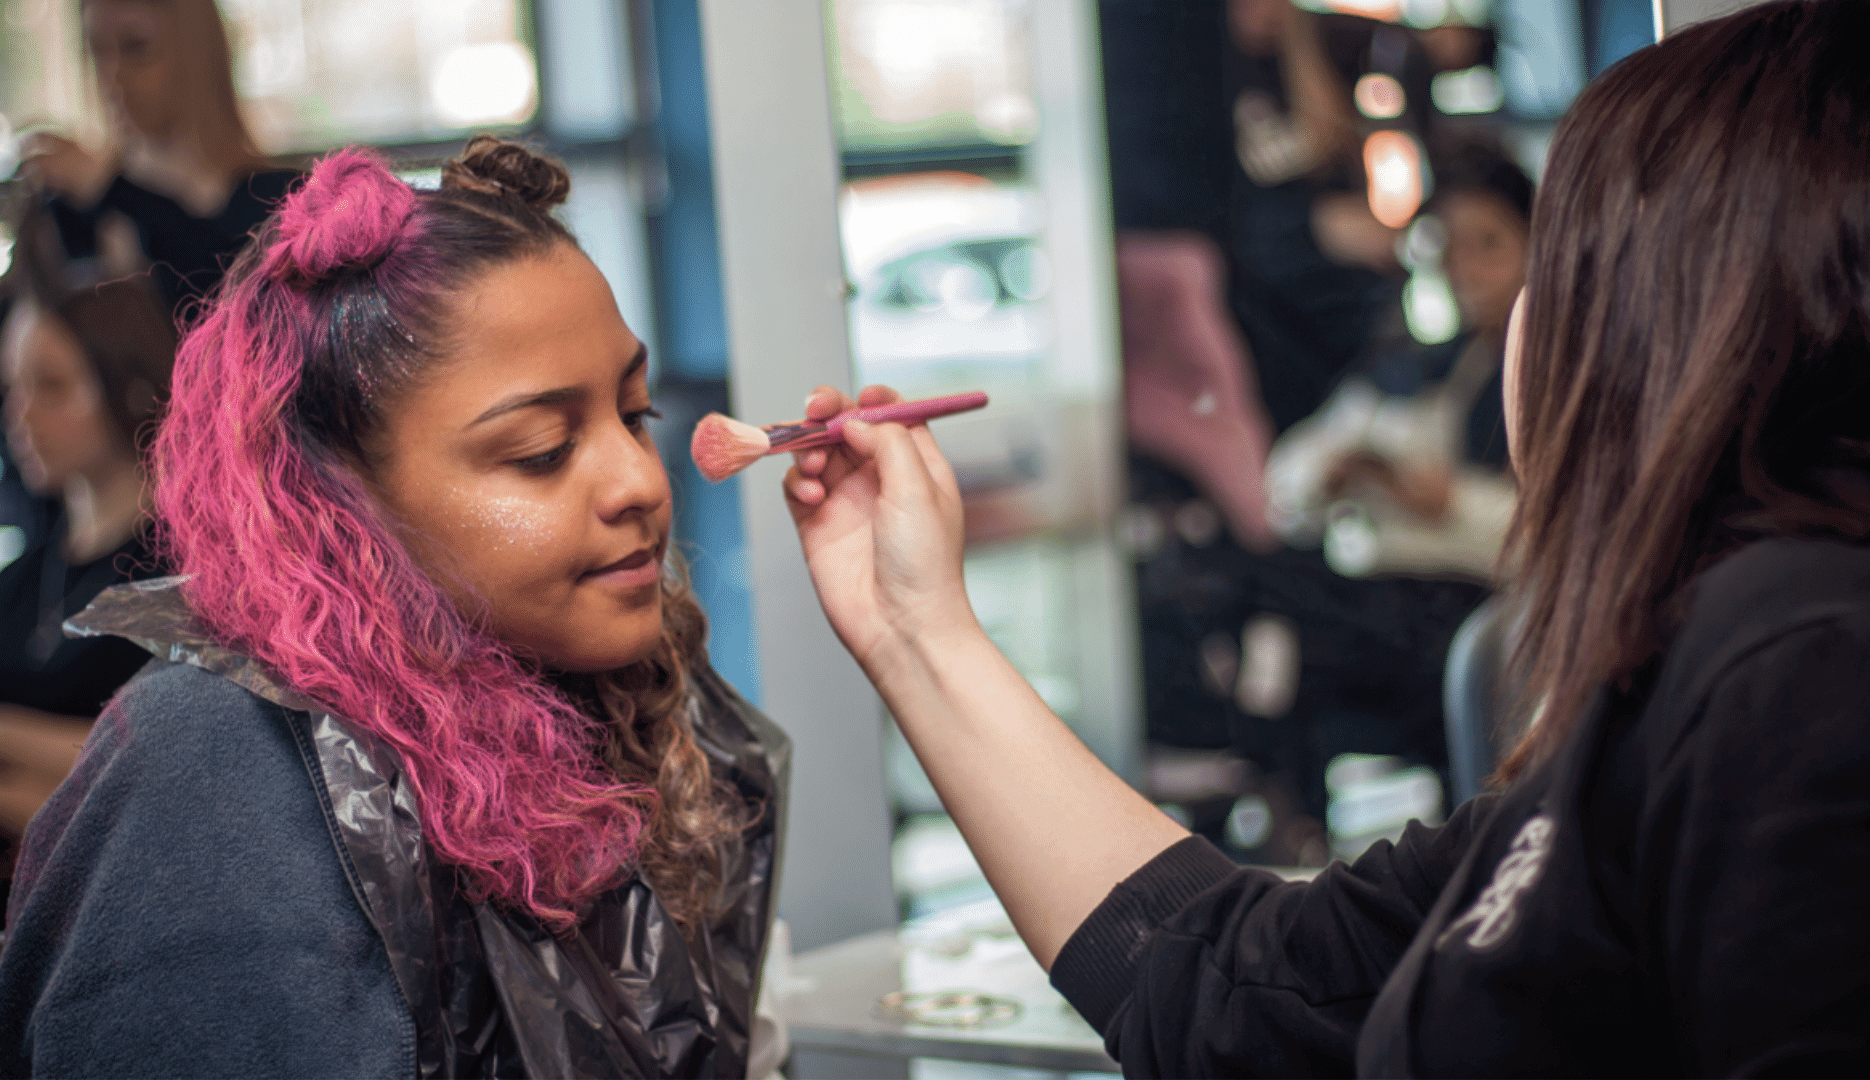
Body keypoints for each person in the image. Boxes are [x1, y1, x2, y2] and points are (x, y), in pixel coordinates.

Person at [783, 2, 1869, 1074]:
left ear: (1670, 325)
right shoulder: (1669, 695)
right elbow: (1232, 986)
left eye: (1560, 263)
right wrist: (913, 628)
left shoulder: (1795, 659)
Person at [0, 139, 789, 1078]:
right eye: (539, 450)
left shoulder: (591, 696)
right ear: (339, 499)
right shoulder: (220, 782)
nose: (641, 480)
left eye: (635, 413)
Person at [0, 264, 173, 941]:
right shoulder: (15, 584)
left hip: (98, 930)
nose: (21, 414)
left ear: (128, 386)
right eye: (13, 387)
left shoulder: (182, 579)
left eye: (51, 386)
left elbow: (165, 777)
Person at [1268, 140, 1531, 581]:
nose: (1467, 269)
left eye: (1489, 244)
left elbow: (1562, 539)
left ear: (1537, 242)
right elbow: (1286, 483)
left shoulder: (1564, 375)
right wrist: (1332, 472)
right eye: (1452, 248)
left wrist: (1449, 502)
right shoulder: (1426, 362)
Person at [25, 0, 300, 319]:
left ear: (195, 48)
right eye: (96, 51)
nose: (110, 74)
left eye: (136, 46)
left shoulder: (279, 200)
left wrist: (114, 191)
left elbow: (217, 298)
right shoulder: (77, 205)